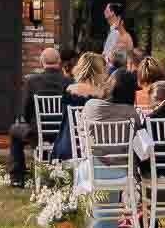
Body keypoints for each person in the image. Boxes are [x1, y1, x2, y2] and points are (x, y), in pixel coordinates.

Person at [7, 46, 74, 187]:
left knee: (14, 131)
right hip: (64, 134)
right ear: (59, 61)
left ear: (41, 62)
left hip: (37, 134)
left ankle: (17, 177)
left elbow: (24, 111)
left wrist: (26, 120)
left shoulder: (32, 81)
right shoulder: (69, 82)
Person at [49, 52, 108, 161]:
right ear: (99, 71)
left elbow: (63, 118)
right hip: (96, 145)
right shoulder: (103, 93)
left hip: (69, 143)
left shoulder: (70, 89)